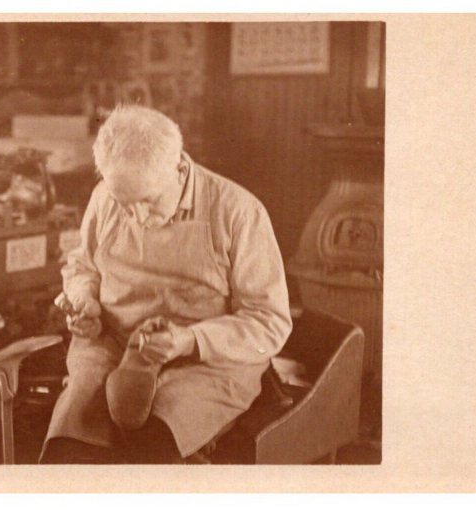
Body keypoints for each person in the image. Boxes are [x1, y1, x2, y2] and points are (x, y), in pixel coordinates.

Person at [40, 105, 292, 464]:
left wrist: (188, 340)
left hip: (206, 360)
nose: (138, 217)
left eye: (148, 201)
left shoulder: (238, 212)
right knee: (71, 448)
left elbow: (269, 322)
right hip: (115, 344)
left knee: (153, 446)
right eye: (125, 204)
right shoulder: (104, 197)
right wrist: (86, 300)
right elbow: (83, 265)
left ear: (178, 168)